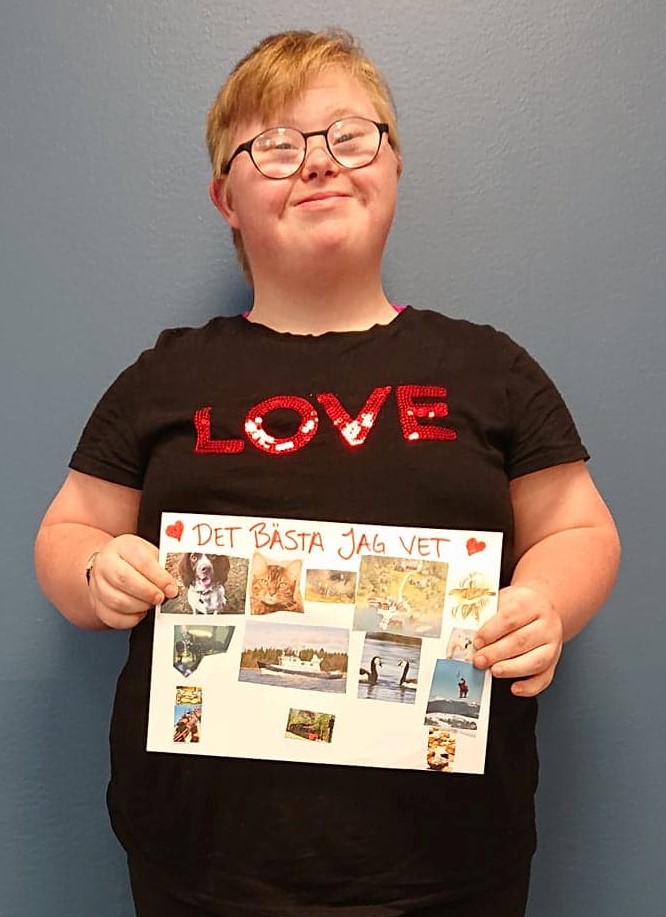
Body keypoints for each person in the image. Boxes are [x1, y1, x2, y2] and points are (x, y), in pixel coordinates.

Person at [34, 28, 620, 917]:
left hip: (448, 862)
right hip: (204, 862)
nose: (317, 162)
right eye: (274, 146)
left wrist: (547, 603)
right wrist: (93, 569)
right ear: (224, 198)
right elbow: (67, 526)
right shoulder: (166, 375)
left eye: (350, 136)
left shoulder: (488, 368)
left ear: (393, 165)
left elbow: (579, 525)